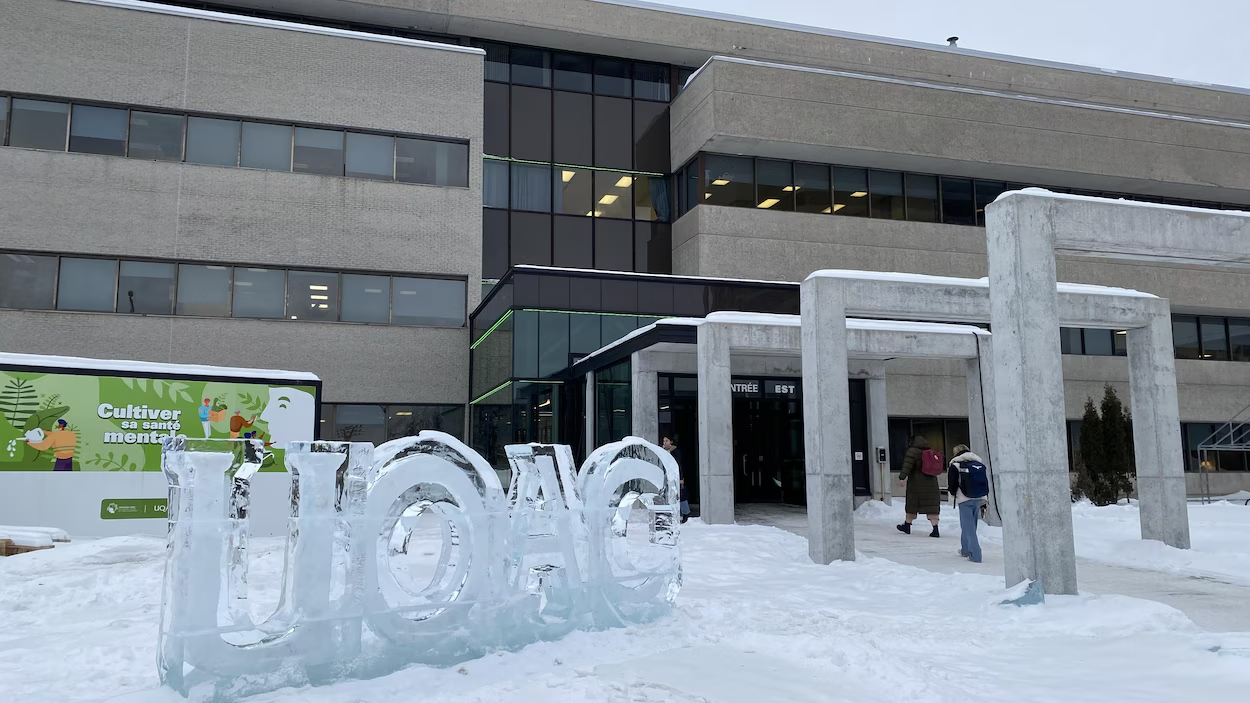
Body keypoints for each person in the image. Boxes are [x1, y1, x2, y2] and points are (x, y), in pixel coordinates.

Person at [947, 444, 989, 563]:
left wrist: (953, 494)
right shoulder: (978, 464)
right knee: (970, 525)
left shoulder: (955, 465)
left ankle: (975, 555)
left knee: (967, 526)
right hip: (978, 497)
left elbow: (952, 485)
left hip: (964, 498)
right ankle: (965, 549)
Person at [897, 435, 942, 537]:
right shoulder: (930, 452)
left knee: (912, 504)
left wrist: (902, 477)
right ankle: (935, 529)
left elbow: (907, 465)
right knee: (932, 506)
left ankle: (907, 525)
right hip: (931, 483)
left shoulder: (912, 452)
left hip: (916, 483)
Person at [662, 436, 691, 523]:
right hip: (667, 476)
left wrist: (681, 478)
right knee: (668, 495)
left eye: (666, 441)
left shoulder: (675, 451)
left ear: (671, 441)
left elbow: (678, 464)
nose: (665, 443)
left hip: (676, 476)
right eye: (663, 441)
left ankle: (686, 513)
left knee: (680, 495)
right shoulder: (663, 451)